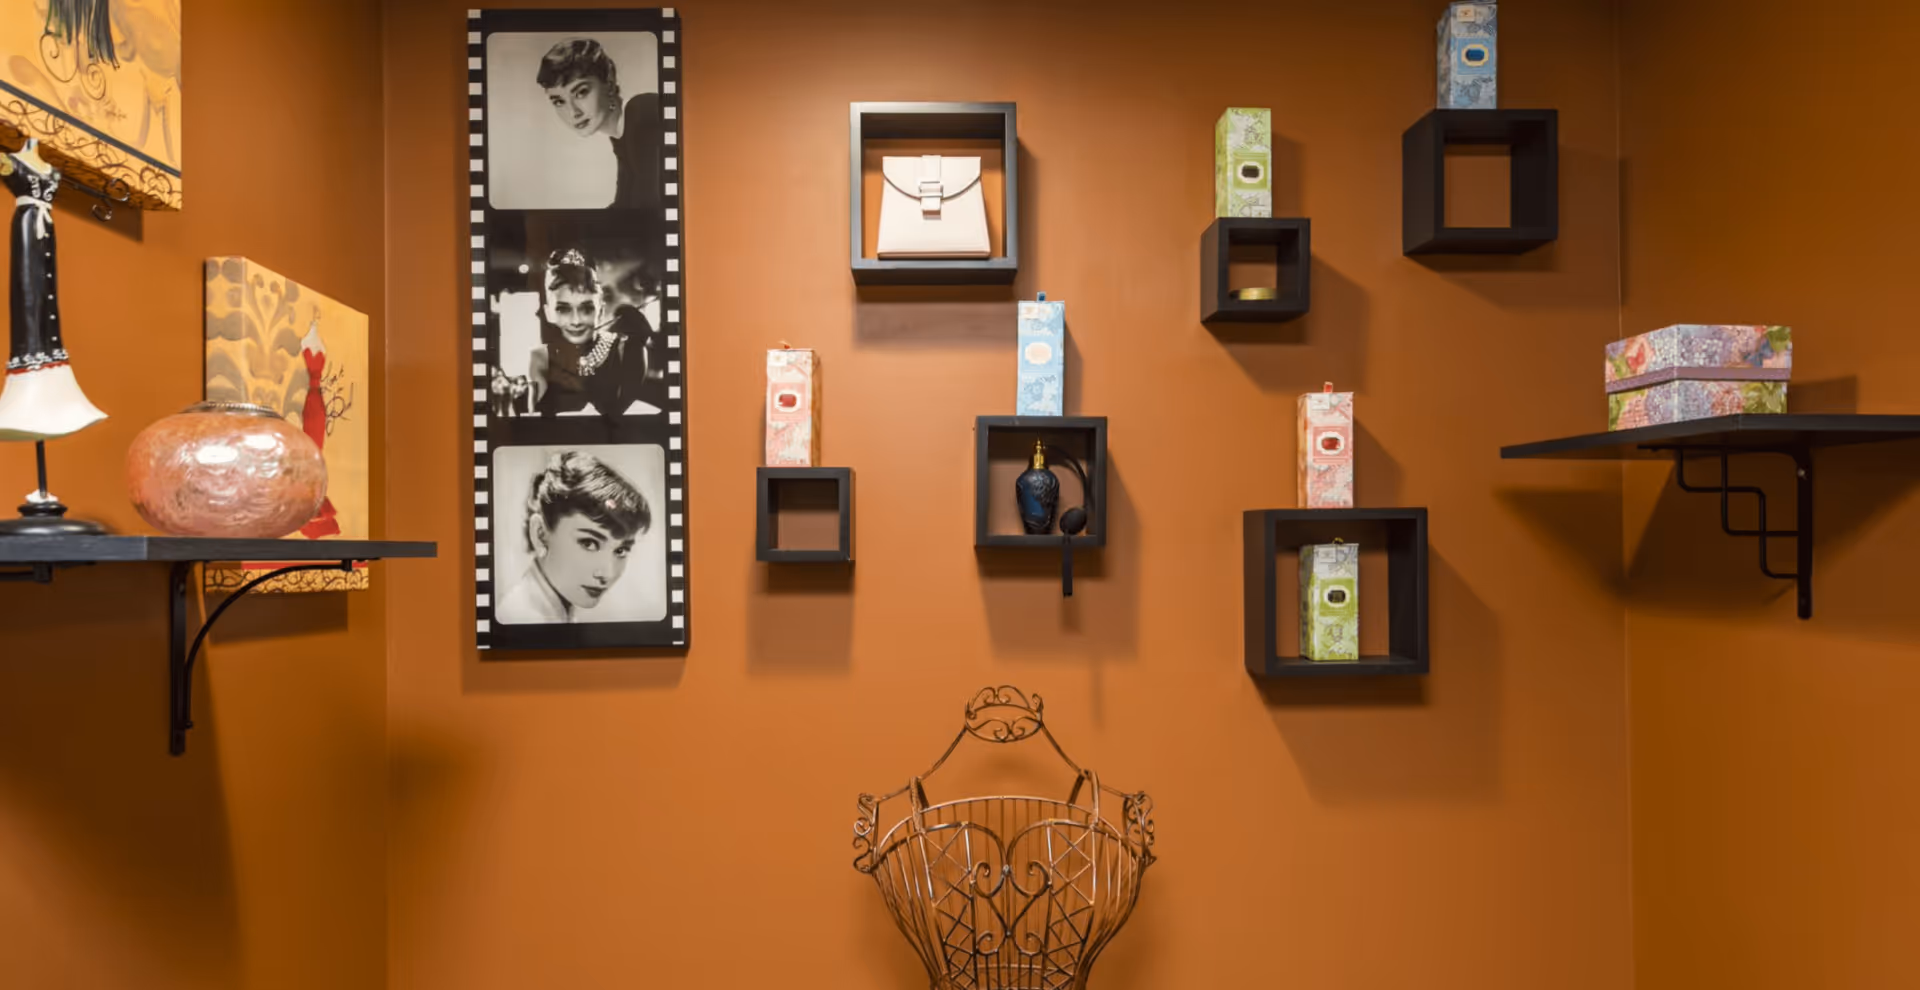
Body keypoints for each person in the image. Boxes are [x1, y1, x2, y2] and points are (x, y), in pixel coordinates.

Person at [497, 451, 650, 625]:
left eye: (621, 550)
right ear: (540, 534)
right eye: (589, 543)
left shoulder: (557, 610)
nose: (607, 574)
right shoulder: (521, 618)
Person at [526, 247, 659, 417]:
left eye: (587, 308)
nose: (576, 321)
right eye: (563, 309)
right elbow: (534, 422)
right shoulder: (540, 358)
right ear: (548, 313)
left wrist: (636, 347)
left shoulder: (625, 349)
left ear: (601, 311)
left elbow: (622, 414)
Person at [536, 38, 661, 211]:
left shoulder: (643, 113)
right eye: (559, 101)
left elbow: (654, 213)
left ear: (609, 84)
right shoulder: (621, 135)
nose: (573, 112)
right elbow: (623, 210)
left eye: (581, 92)